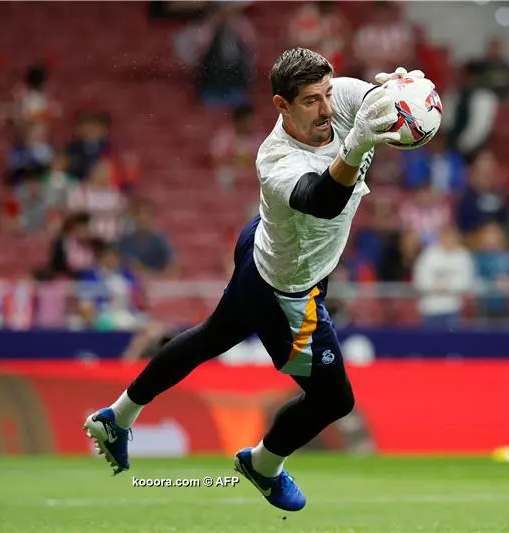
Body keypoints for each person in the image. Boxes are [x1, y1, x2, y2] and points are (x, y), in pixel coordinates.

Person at [83, 49, 411, 512]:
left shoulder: (337, 99)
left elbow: (382, 105)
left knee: (212, 336)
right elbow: (323, 201)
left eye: (328, 94)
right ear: (282, 105)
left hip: (260, 246)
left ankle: (117, 417)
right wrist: (356, 144)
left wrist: (402, 91)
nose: (326, 109)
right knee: (333, 399)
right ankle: (263, 463)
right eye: (311, 101)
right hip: (287, 288)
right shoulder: (276, 159)